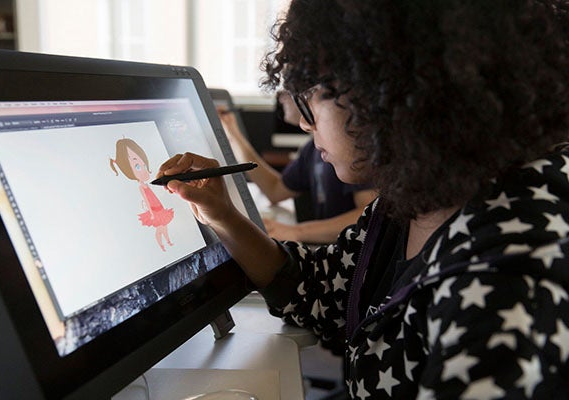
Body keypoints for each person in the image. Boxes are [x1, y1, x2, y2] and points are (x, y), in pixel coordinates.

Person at [158, 0, 569, 398]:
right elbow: (318, 291)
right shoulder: (418, 193)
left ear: (389, 89)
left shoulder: (509, 271)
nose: (303, 121)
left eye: (311, 94)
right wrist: (222, 213)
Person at [218, 90, 378, 244]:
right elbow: (275, 190)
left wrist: (296, 231)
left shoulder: (350, 151)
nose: (280, 97)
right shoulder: (312, 150)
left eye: (287, 89)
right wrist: (233, 134)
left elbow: (370, 215)